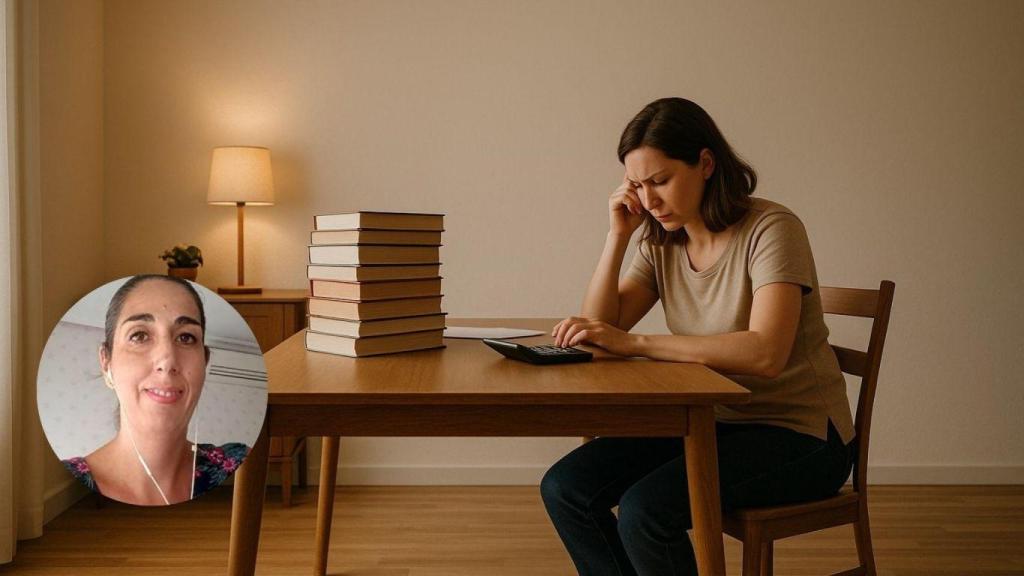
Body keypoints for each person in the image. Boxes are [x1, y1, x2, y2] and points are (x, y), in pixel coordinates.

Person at [540, 98, 856, 575]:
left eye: (660, 181)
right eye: (638, 185)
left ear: (706, 164)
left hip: (801, 436)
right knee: (566, 489)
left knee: (645, 513)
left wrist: (639, 345)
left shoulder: (772, 229)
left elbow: (766, 353)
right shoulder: (662, 241)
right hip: (710, 421)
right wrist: (617, 236)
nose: (649, 201)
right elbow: (601, 330)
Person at [62, 275, 249, 506]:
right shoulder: (64, 486)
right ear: (106, 363)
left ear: (205, 361)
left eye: (186, 337)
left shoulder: (241, 464)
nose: (167, 361)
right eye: (139, 336)